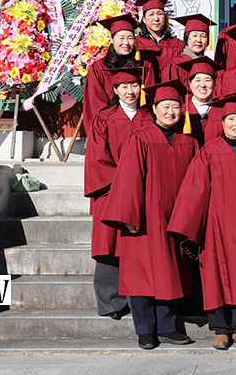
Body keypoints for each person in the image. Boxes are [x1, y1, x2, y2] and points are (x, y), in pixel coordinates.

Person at [168, 95, 236, 350]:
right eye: (231, 119)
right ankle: (220, 328)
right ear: (223, 123)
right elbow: (195, 191)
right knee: (215, 275)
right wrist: (192, 228)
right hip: (216, 226)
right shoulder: (209, 152)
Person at [101, 79, 198, 349]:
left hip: (176, 219)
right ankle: (145, 330)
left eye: (175, 107)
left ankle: (168, 327)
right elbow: (128, 179)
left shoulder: (189, 142)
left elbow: (197, 184)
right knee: (140, 273)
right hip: (144, 219)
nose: (170, 112)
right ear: (153, 109)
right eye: (165, 106)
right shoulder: (140, 138)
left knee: (171, 271)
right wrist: (129, 217)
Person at [84, 67, 154, 321]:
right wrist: (124, 184)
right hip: (110, 191)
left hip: (145, 191)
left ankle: (139, 299)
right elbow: (97, 159)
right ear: (115, 90)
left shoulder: (151, 117)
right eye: (124, 87)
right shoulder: (104, 119)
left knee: (138, 245)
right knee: (109, 245)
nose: (130, 91)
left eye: (134, 86)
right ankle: (111, 301)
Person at [83, 14, 156, 137]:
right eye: (121, 38)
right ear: (112, 39)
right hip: (111, 128)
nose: (126, 43)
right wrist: (116, 122)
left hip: (141, 126)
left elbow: (149, 99)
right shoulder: (99, 68)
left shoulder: (145, 66)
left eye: (130, 38)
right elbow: (96, 104)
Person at [176, 56, 224, 146]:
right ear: (190, 84)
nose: (202, 85)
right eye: (197, 80)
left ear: (214, 84)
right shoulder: (180, 111)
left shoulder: (222, 112)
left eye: (207, 80)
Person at [161, 14, 216, 85]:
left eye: (203, 36)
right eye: (194, 35)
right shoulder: (174, 65)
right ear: (186, 38)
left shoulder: (210, 66)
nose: (199, 40)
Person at [135, 0, 182, 71]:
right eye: (151, 14)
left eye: (160, 14)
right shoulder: (136, 43)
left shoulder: (178, 44)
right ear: (144, 19)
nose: (156, 18)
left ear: (165, 17)